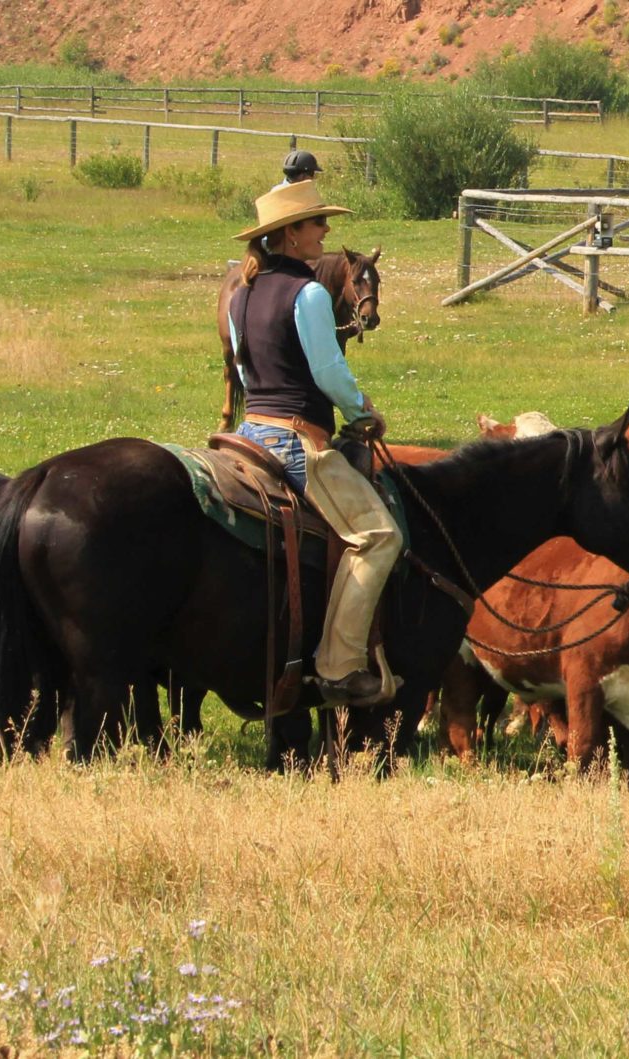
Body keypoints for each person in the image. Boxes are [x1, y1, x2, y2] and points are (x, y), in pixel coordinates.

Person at [227, 180, 404, 706]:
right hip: (293, 441)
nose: (326, 230)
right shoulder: (307, 294)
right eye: (317, 223)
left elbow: (241, 366)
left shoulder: (241, 293)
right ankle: (340, 665)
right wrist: (362, 411)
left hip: (245, 434)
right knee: (379, 536)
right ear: (291, 235)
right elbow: (329, 370)